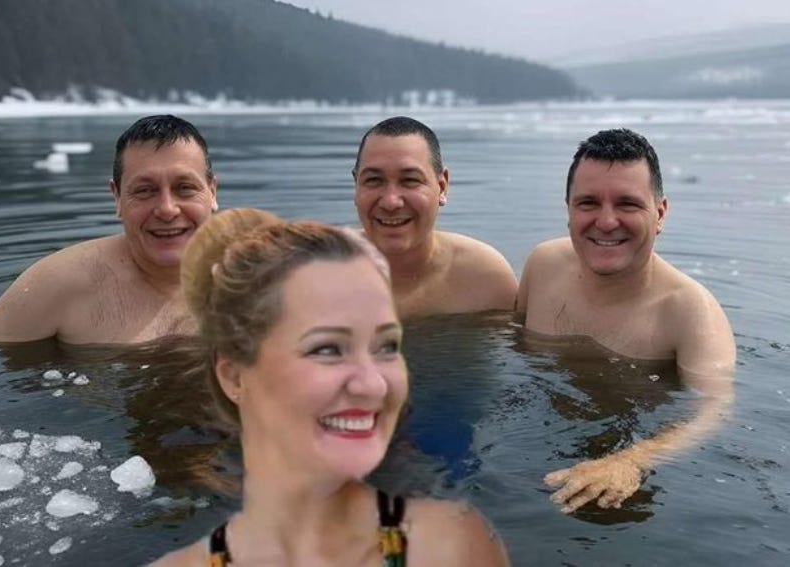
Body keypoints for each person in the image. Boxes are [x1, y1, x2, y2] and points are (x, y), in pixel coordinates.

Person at [151, 208, 510, 566]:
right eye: (326, 349)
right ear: (234, 377)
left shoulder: (456, 548)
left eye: (386, 346)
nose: (373, 384)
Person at [516, 128, 735, 514]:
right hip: (533, 445)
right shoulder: (543, 266)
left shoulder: (690, 311)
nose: (606, 221)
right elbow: (509, 346)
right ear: (568, 209)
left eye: (627, 204)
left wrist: (633, 460)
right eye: (588, 203)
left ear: (660, 213)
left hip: (639, 444)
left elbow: (713, 411)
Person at [0, 115, 218, 344]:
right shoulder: (61, 283)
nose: (167, 209)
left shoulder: (241, 279)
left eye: (185, 188)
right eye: (144, 190)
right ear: (117, 198)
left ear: (212, 192)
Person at [353, 116, 518, 319]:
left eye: (410, 180)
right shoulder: (323, 273)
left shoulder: (483, 278)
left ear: (442, 187)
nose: (391, 202)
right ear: (356, 186)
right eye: (373, 180)